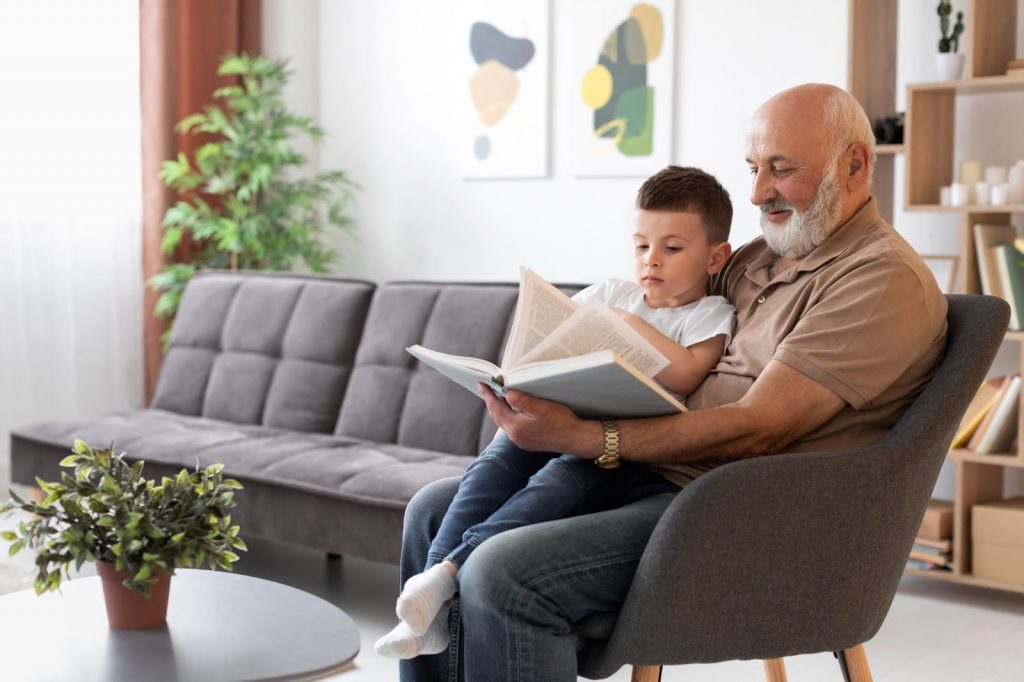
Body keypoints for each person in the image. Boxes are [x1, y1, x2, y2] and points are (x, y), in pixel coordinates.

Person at [399, 83, 949, 682]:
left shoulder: (878, 279)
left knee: (504, 569)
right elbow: (669, 317)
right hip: (657, 476)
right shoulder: (760, 256)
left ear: (854, 164)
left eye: (781, 170)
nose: (759, 191)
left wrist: (590, 437)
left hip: (740, 515)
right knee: (432, 511)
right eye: (754, 168)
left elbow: (760, 428)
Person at [376, 166, 737, 659]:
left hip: (610, 450)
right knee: (490, 467)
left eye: (672, 249)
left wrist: (624, 324)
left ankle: (448, 573)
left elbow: (688, 373)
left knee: (555, 486)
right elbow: (548, 340)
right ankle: (428, 600)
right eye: (641, 245)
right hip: (556, 417)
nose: (651, 261)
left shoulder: (709, 314)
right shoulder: (613, 293)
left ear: (716, 257)